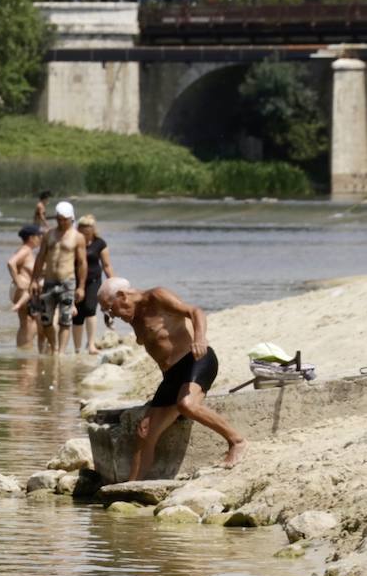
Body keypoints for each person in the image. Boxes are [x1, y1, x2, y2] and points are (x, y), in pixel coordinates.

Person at [98, 278, 248, 480]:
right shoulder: (134, 318)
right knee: (144, 432)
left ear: (122, 296)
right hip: (171, 376)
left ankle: (236, 441)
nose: (112, 315)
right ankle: (130, 487)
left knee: (187, 404)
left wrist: (199, 338)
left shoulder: (156, 297)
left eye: (109, 309)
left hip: (196, 360)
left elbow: (195, 311)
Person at [31, 200, 86, 354]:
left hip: (67, 282)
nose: (62, 222)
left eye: (65, 220)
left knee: (65, 319)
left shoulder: (77, 237)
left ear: (71, 218)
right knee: (46, 320)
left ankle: (60, 352)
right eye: (59, 219)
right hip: (48, 281)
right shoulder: (49, 234)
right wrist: (34, 280)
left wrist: (81, 287)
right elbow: (40, 257)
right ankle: (54, 346)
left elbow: (82, 263)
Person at [72, 214, 115, 355]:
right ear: (78, 229)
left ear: (93, 230)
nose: (86, 235)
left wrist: (113, 283)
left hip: (94, 281)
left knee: (90, 309)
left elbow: (106, 265)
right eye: (83, 232)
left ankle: (91, 345)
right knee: (77, 314)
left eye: (88, 232)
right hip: (75, 281)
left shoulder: (100, 243)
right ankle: (77, 349)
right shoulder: (74, 242)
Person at [7, 225, 43, 350]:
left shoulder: (27, 250)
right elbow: (11, 262)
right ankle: (25, 350)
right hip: (22, 290)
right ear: (31, 238)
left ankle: (24, 350)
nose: (41, 238)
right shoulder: (26, 250)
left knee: (27, 321)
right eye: (39, 236)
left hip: (23, 290)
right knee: (28, 323)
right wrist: (18, 281)